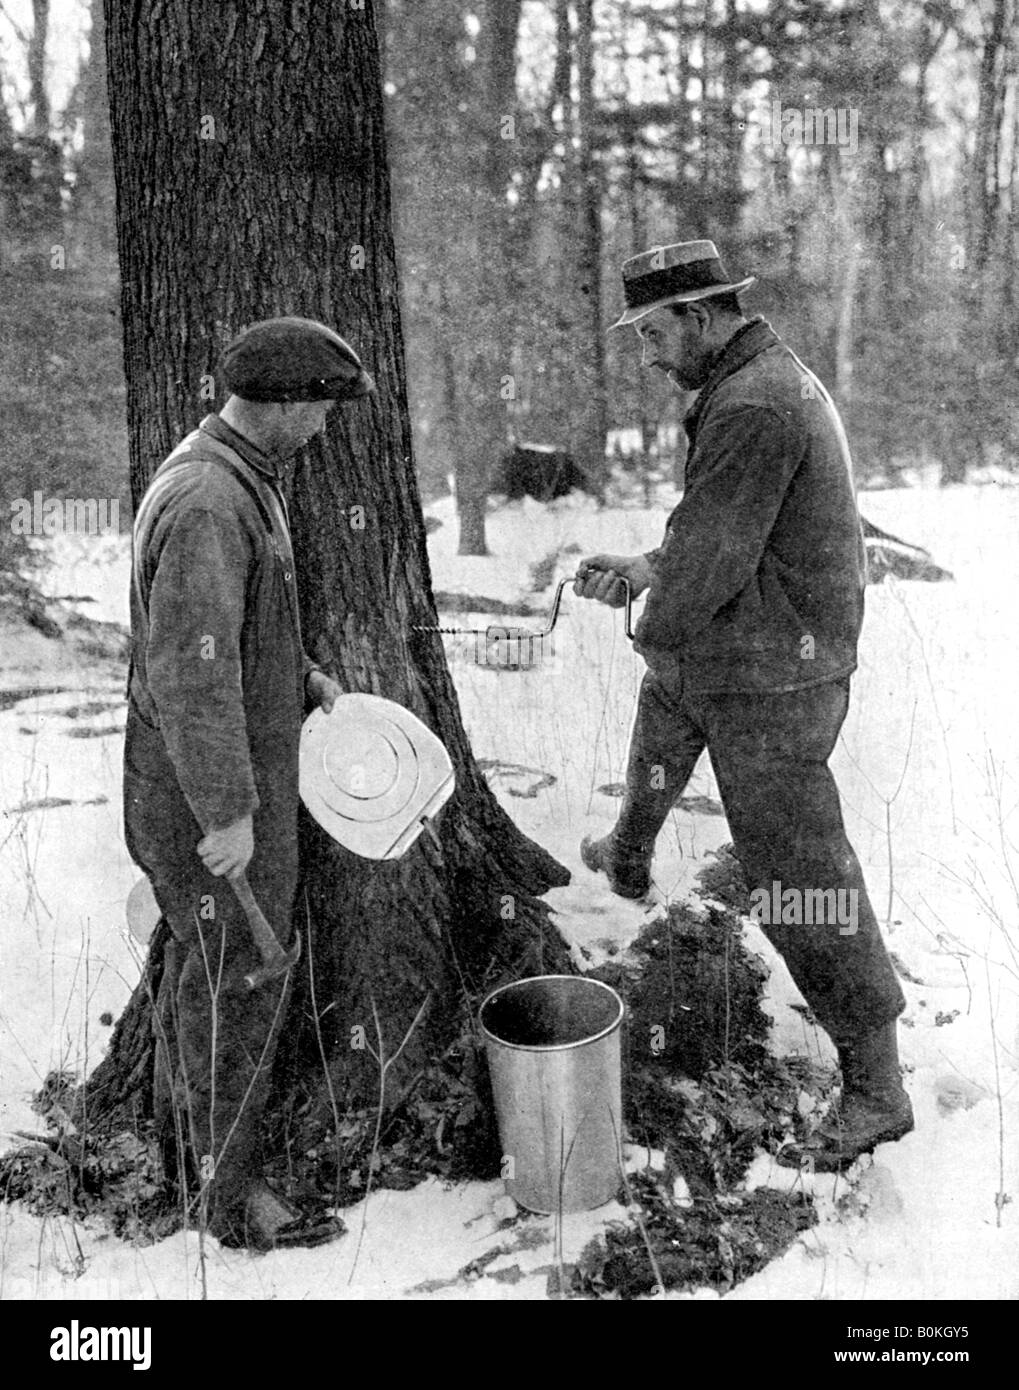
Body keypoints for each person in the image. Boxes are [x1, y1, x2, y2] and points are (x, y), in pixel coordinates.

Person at [575, 241, 913, 1171]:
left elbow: (713, 563)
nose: (645, 352)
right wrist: (651, 570)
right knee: (667, 695)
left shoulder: (754, 403)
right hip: (757, 637)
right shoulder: (747, 383)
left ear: (699, 316)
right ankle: (630, 853)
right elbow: (711, 538)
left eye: (652, 331)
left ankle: (877, 1087)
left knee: (798, 871)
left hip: (778, 672)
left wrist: (653, 605)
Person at [123, 316, 374, 1248]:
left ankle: (190, 1155)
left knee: (211, 972)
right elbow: (190, 673)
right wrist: (227, 813)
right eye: (317, 410)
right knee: (238, 982)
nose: (322, 428)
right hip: (204, 793)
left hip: (220, 776)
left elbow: (228, 632)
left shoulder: (240, 477)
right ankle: (231, 1197)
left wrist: (299, 674)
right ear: (278, 403)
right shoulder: (208, 500)